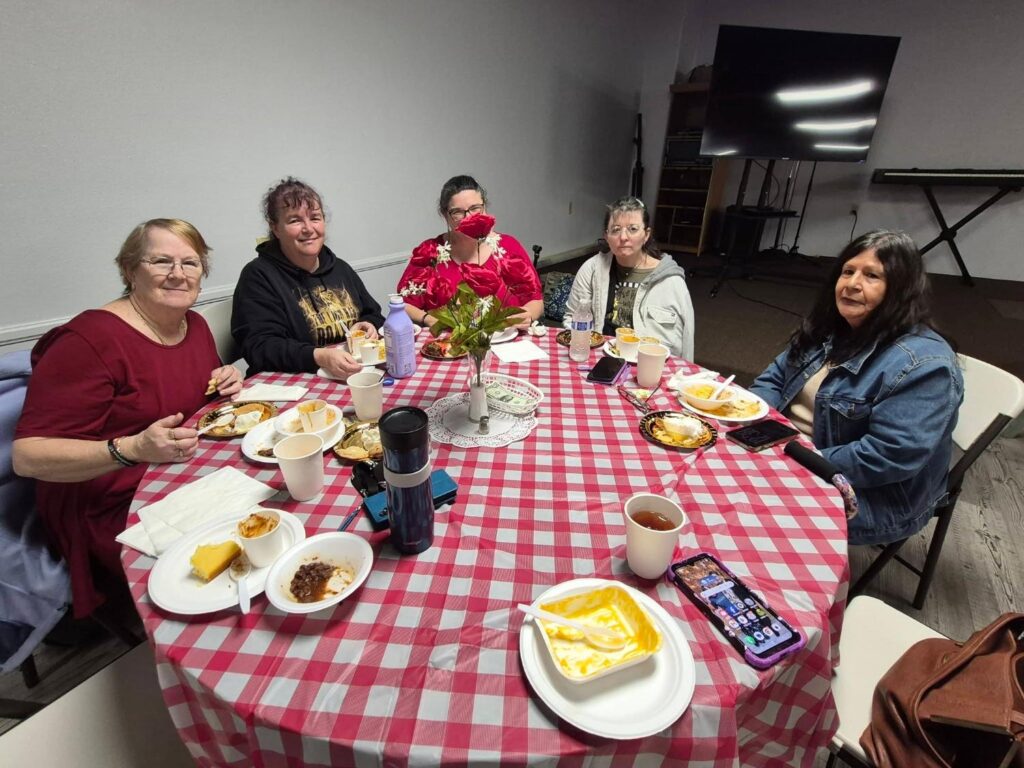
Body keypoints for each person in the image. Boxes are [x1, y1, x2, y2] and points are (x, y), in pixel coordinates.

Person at [12, 219, 243, 618]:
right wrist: (131, 448)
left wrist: (226, 379)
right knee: (224, 564)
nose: (178, 273)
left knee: (272, 512)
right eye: (161, 261)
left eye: (190, 263)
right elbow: (28, 456)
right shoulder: (89, 340)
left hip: (182, 472)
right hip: (110, 498)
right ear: (129, 270)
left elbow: (191, 395)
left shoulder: (194, 324)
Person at [749, 230, 963, 546]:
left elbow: (887, 456)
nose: (852, 284)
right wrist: (752, 426)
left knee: (751, 513)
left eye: (872, 276)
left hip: (869, 492)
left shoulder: (925, 365)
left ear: (901, 289)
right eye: (848, 271)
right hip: (788, 453)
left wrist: (793, 459)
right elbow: (774, 380)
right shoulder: (830, 327)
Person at [232, 178, 385, 378]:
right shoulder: (258, 276)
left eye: (315, 218)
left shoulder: (340, 268)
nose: (308, 228)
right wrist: (318, 356)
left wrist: (368, 324)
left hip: (351, 374)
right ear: (275, 228)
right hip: (292, 382)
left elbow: (374, 314)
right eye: (295, 220)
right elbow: (260, 347)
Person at [397, 175, 543, 329]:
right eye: (457, 212)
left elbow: (536, 301)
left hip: (507, 338)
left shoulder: (508, 247)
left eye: (475, 208)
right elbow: (403, 304)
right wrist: (426, 318)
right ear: (445, 215)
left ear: (485, 208)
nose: (468, 217)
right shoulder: (430, 252)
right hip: (448, 341)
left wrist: (527, 314)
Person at [564, 196, 694, 359]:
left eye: (633, 229)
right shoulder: (592, 269)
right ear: (606, 236)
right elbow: (571, 318)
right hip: (599, 358)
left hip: (649, 363)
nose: (623, 237)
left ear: (646, 234)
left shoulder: (671, 281)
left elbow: (685, 343)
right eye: (616, 230)